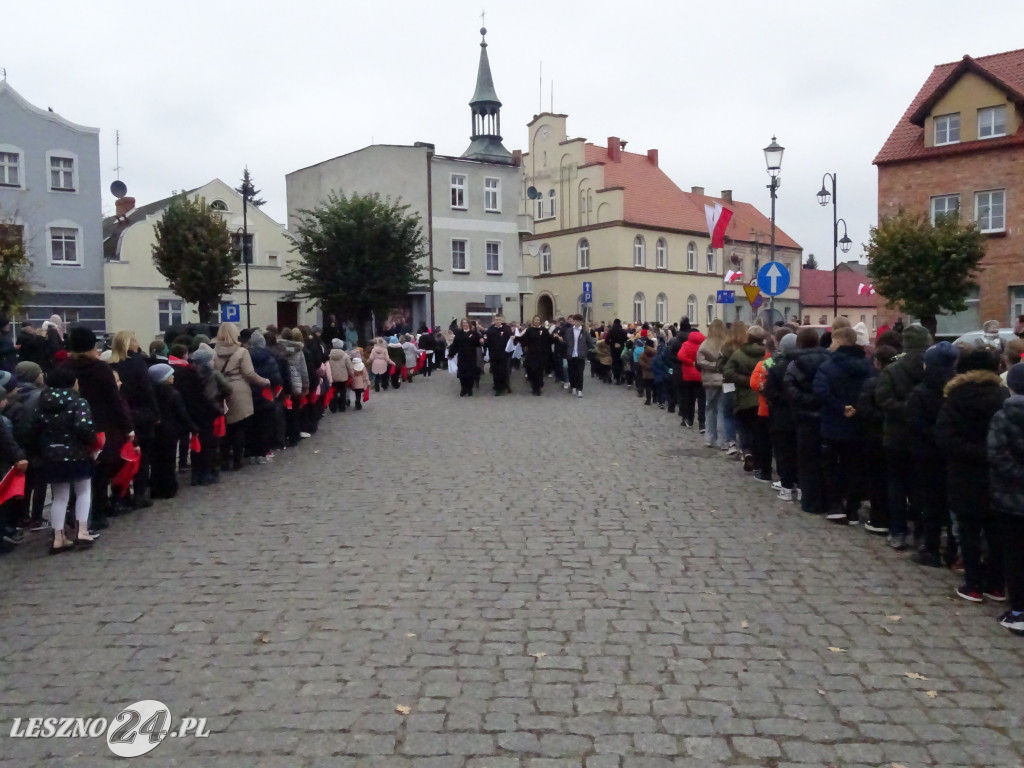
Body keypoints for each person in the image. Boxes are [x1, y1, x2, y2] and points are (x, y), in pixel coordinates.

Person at [936, 347, 1009, 603]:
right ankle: (997, 584)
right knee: (996, 530)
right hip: (999, 472)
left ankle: (974, 584)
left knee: (968, 528)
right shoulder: (1003, 396)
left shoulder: (955, 397)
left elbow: (945, 437)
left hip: (965, 471)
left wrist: (972, 452)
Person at [58, 325, 133, 530]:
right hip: (102, 426)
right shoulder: (101, 368)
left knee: (78, 473)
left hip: (72, 426)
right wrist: (127, 428)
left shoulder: (64, 367)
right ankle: (97, 513)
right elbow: (114, 400)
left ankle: (76, 514)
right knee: (100, 472)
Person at [875, 324, 931, 550]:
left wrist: (905, 409)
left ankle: (898, 531)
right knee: (921, 487)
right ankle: (921, 533)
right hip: (924, 435)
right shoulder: (933, 368)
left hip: (896, 435)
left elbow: (883, 399)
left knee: (897, 485)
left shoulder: (893, 369)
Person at [904, 342, 959, 565]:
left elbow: (914, 423)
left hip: (927, 455)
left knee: (930, 502)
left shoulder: (922, 391)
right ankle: (953, 550)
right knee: (951, 504)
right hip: (953, 454)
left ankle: (932, 548)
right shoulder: (958, 389)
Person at [31, 366, 96, 553]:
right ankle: (82, 531)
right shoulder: (79, 402)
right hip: (77, 453)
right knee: (83, 491)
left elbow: (33, 429)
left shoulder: (41, 403)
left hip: (51, 455)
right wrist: (90, 443)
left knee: (59, 496)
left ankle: (58, 537)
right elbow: (84, 428)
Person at [813, 326, 873, 524]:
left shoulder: (828, 366)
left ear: (838, 342)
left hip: (833, 422)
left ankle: (835, 505)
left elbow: (821, 391)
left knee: (831, 465)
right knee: (855, 466)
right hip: (860, 424)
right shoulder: (867, 366)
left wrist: (841, 407)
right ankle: (853, 509)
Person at [987, 362, 1024, 633]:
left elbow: (997, 454)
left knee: (1014, 553)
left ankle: (1019, 610)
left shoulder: (1004, 415)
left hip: (1011, 495)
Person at [108, 330, 158, 509]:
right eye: (135, 340)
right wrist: (155, 412)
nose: (137, 343)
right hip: (141, 413)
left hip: (119, 414)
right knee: (142, 456)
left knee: (121, 457)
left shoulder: (110, 364)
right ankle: (139, 493)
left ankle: (119, 494)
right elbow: (147, 389)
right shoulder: (137, 363)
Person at [784, 327, 831, 515]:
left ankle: (810, 502)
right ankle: (828, 499)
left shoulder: (794, 363)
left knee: (807, 460)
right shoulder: (829, 360)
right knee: (826, 460)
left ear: (800, 342)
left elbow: (790, 388)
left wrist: (804, 401)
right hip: (826, 415)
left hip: (804, 417)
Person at [213, 322, 270, 471]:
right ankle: (237, 460)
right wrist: (264, 381)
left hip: (221, 390)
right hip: (239, 391)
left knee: (225, 427)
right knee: (239, 427)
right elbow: (249, 373)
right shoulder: (242, 352)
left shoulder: (214, 351)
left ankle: (225, 459)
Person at [856, 346, 898, 534]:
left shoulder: (872, 383)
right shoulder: (902, 381)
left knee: (877, 478)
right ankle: (896, 521)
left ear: (877, 363)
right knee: (895, 479)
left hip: (875, 437)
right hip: (897, 436)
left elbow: (864, 409)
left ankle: (880, 518)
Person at [148, 363, 198, 499]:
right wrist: (192, 427)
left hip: (155, 431)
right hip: (170, 431)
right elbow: (181, 413)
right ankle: (168, 487)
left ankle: (155, 487)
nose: (173, 376)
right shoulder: (173, 394)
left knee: (156, 461)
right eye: (170, 374)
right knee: (169, 461)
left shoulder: (150, 392)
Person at [723, 325, 767, 472]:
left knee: (743, 426)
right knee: (758, 429)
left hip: (742, 397)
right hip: (762, 398)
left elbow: (727, 372)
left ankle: (747, 452)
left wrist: (744, 380)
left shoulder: (738, 353)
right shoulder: (767, 355)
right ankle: (758, 457)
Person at [763, 332, 799, 500]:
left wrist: (780, 400)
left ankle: (786, 487)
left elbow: (769, 391)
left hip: (781, 415)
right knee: (799, 452)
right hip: (800, 415)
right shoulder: (801, 365)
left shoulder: (776, 367)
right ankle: (799, 487)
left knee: (783, 452)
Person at [697, 319, 728, 449]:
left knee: (710, 408)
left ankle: (710, 438)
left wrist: (712, 366)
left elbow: (700, 361)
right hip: (726, 380)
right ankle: (723, 440)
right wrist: (721, 367)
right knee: (722, 410)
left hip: (710, 381)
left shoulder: (705, 344)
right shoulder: (727, 344)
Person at [678, 327, 706, 430]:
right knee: (702, 400)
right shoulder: (704, 344)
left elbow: (680, 355)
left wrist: (691, 362)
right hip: (701, 375)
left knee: (690, 399)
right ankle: (702, 423)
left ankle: (690, 420)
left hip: (688, 376)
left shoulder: (686, 344)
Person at [518, 316, 551, 396]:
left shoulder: (544, 330)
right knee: (532, 371)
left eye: (538, 320)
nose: (537, 321)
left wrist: (556, 339)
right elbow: (524, 340)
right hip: (531, 354)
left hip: (540, 354)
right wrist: (516, 339)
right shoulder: (529, 330)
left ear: (540, 321)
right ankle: (534, 387)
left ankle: (538, 388)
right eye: (535, 320)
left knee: (539, 371)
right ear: (533, 321)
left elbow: (549, 340)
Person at [449, 318, 482, 397]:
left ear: (469, 324)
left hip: (471, 357)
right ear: (461, 324)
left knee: (470, 374)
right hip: (462, 356)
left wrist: (481, 341)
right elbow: (455, 345)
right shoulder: (459, 334)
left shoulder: (474, 333)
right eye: (463, 323)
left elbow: (478, 343)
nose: (465, 324)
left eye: (466, 323)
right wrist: (451, 354)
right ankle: (463, 389)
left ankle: (469, 388)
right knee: (462, 374)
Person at [564, 314, 595, 398]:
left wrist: (586, 351)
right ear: (573, 321)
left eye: (578, 321)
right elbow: (566, 342)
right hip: (571, 354)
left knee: (580, 373)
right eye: (575, 321)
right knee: (571, 372)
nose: (577, 323)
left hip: (580, 355)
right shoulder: (569, 331)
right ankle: (573, 386)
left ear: (581, 322)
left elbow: (590, 343)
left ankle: (580, 389)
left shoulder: (585, 332)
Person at [484, 317, 513, 395]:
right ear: (494, 321)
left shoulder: (506, 329)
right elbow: (487, 342)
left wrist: (513, 338)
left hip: (504, 355)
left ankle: (505, 386)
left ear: (501, 321)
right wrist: (483, 342)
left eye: (499, 320)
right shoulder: (490, 330)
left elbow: (510, 340)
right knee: (496, 372)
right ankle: (498, 388)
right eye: (496, 320)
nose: (497, 321)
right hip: (494, 355)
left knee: (504, 371)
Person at [327, 339, 354, 411]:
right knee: (343, 391)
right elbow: (349, 367)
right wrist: (352, 375)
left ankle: (333, 407)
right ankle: (342, 406)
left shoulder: (329, 355)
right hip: (343, 377)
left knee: (333, 391)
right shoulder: (345, 355)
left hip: (332, 377)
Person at [607, 319, 628, 384]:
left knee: (615, 363)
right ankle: (622, 376)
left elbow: (606, 340)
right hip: (621, 349)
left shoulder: (611, 331)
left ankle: (617, 378)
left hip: (613, 349)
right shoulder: (623, 331)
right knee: (621, 363)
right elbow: (626, 339)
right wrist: (620, 344)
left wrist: (612, 344)